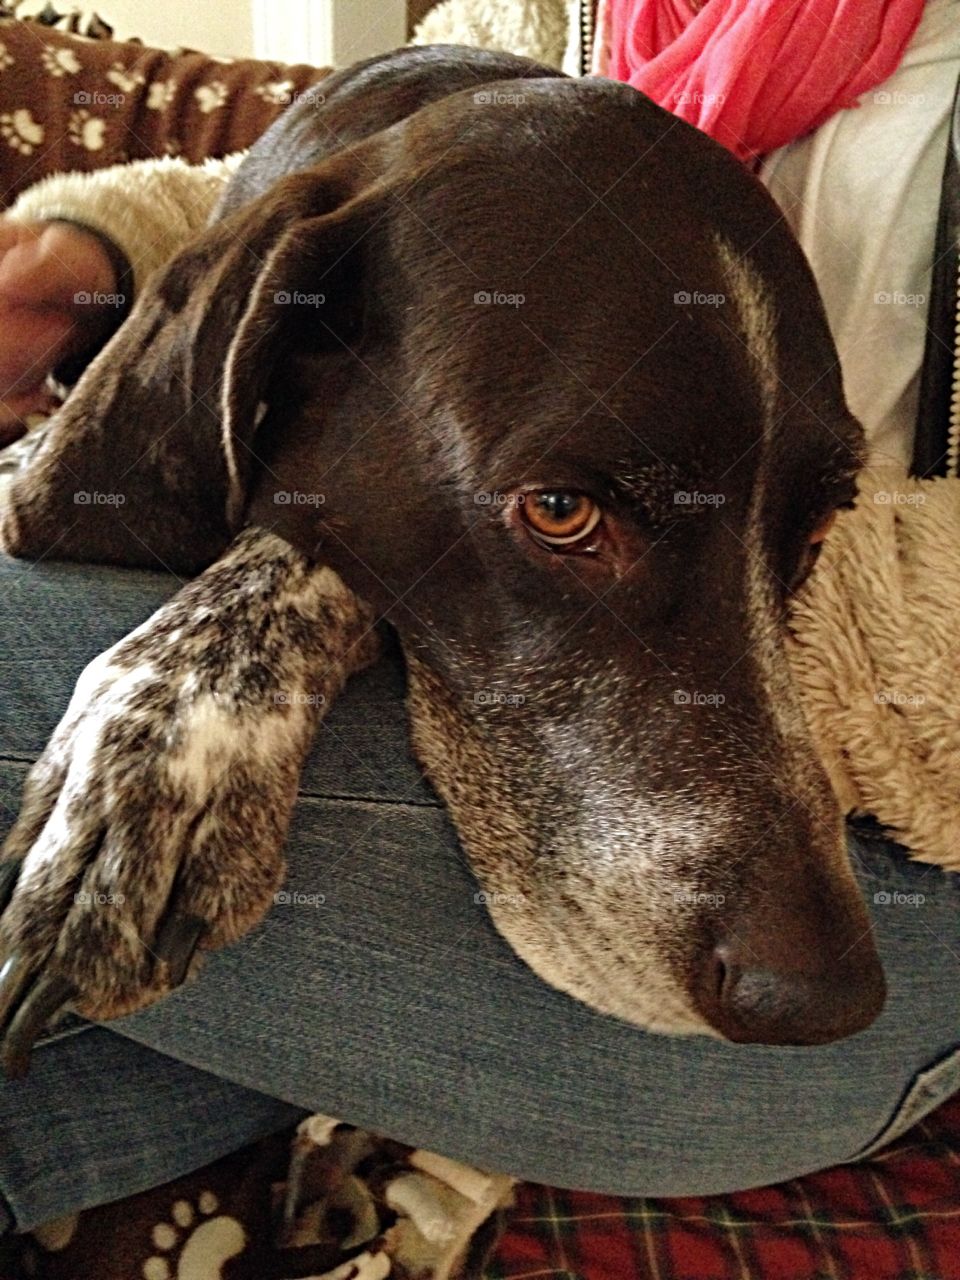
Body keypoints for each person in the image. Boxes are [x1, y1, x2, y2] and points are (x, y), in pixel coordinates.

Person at [0, 0, 958, 1245]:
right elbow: (379, 203)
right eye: (566, 508)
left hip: (923, 882)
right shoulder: (556, 11)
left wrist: (312, 577)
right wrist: (109, 259)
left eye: (564, 508)